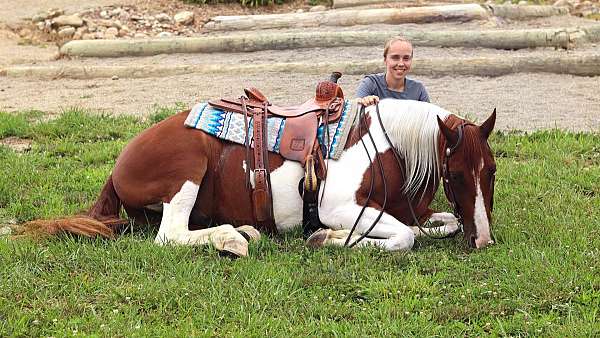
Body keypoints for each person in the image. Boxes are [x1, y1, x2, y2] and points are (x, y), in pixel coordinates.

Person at [356, 36, 429, 106]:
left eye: (406, 58)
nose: (401, 64)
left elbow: (430, 117)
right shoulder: (370, 83)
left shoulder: (418, 90)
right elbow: (355, 109)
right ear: (385, 59)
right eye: (395, 58)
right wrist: (365, 102)